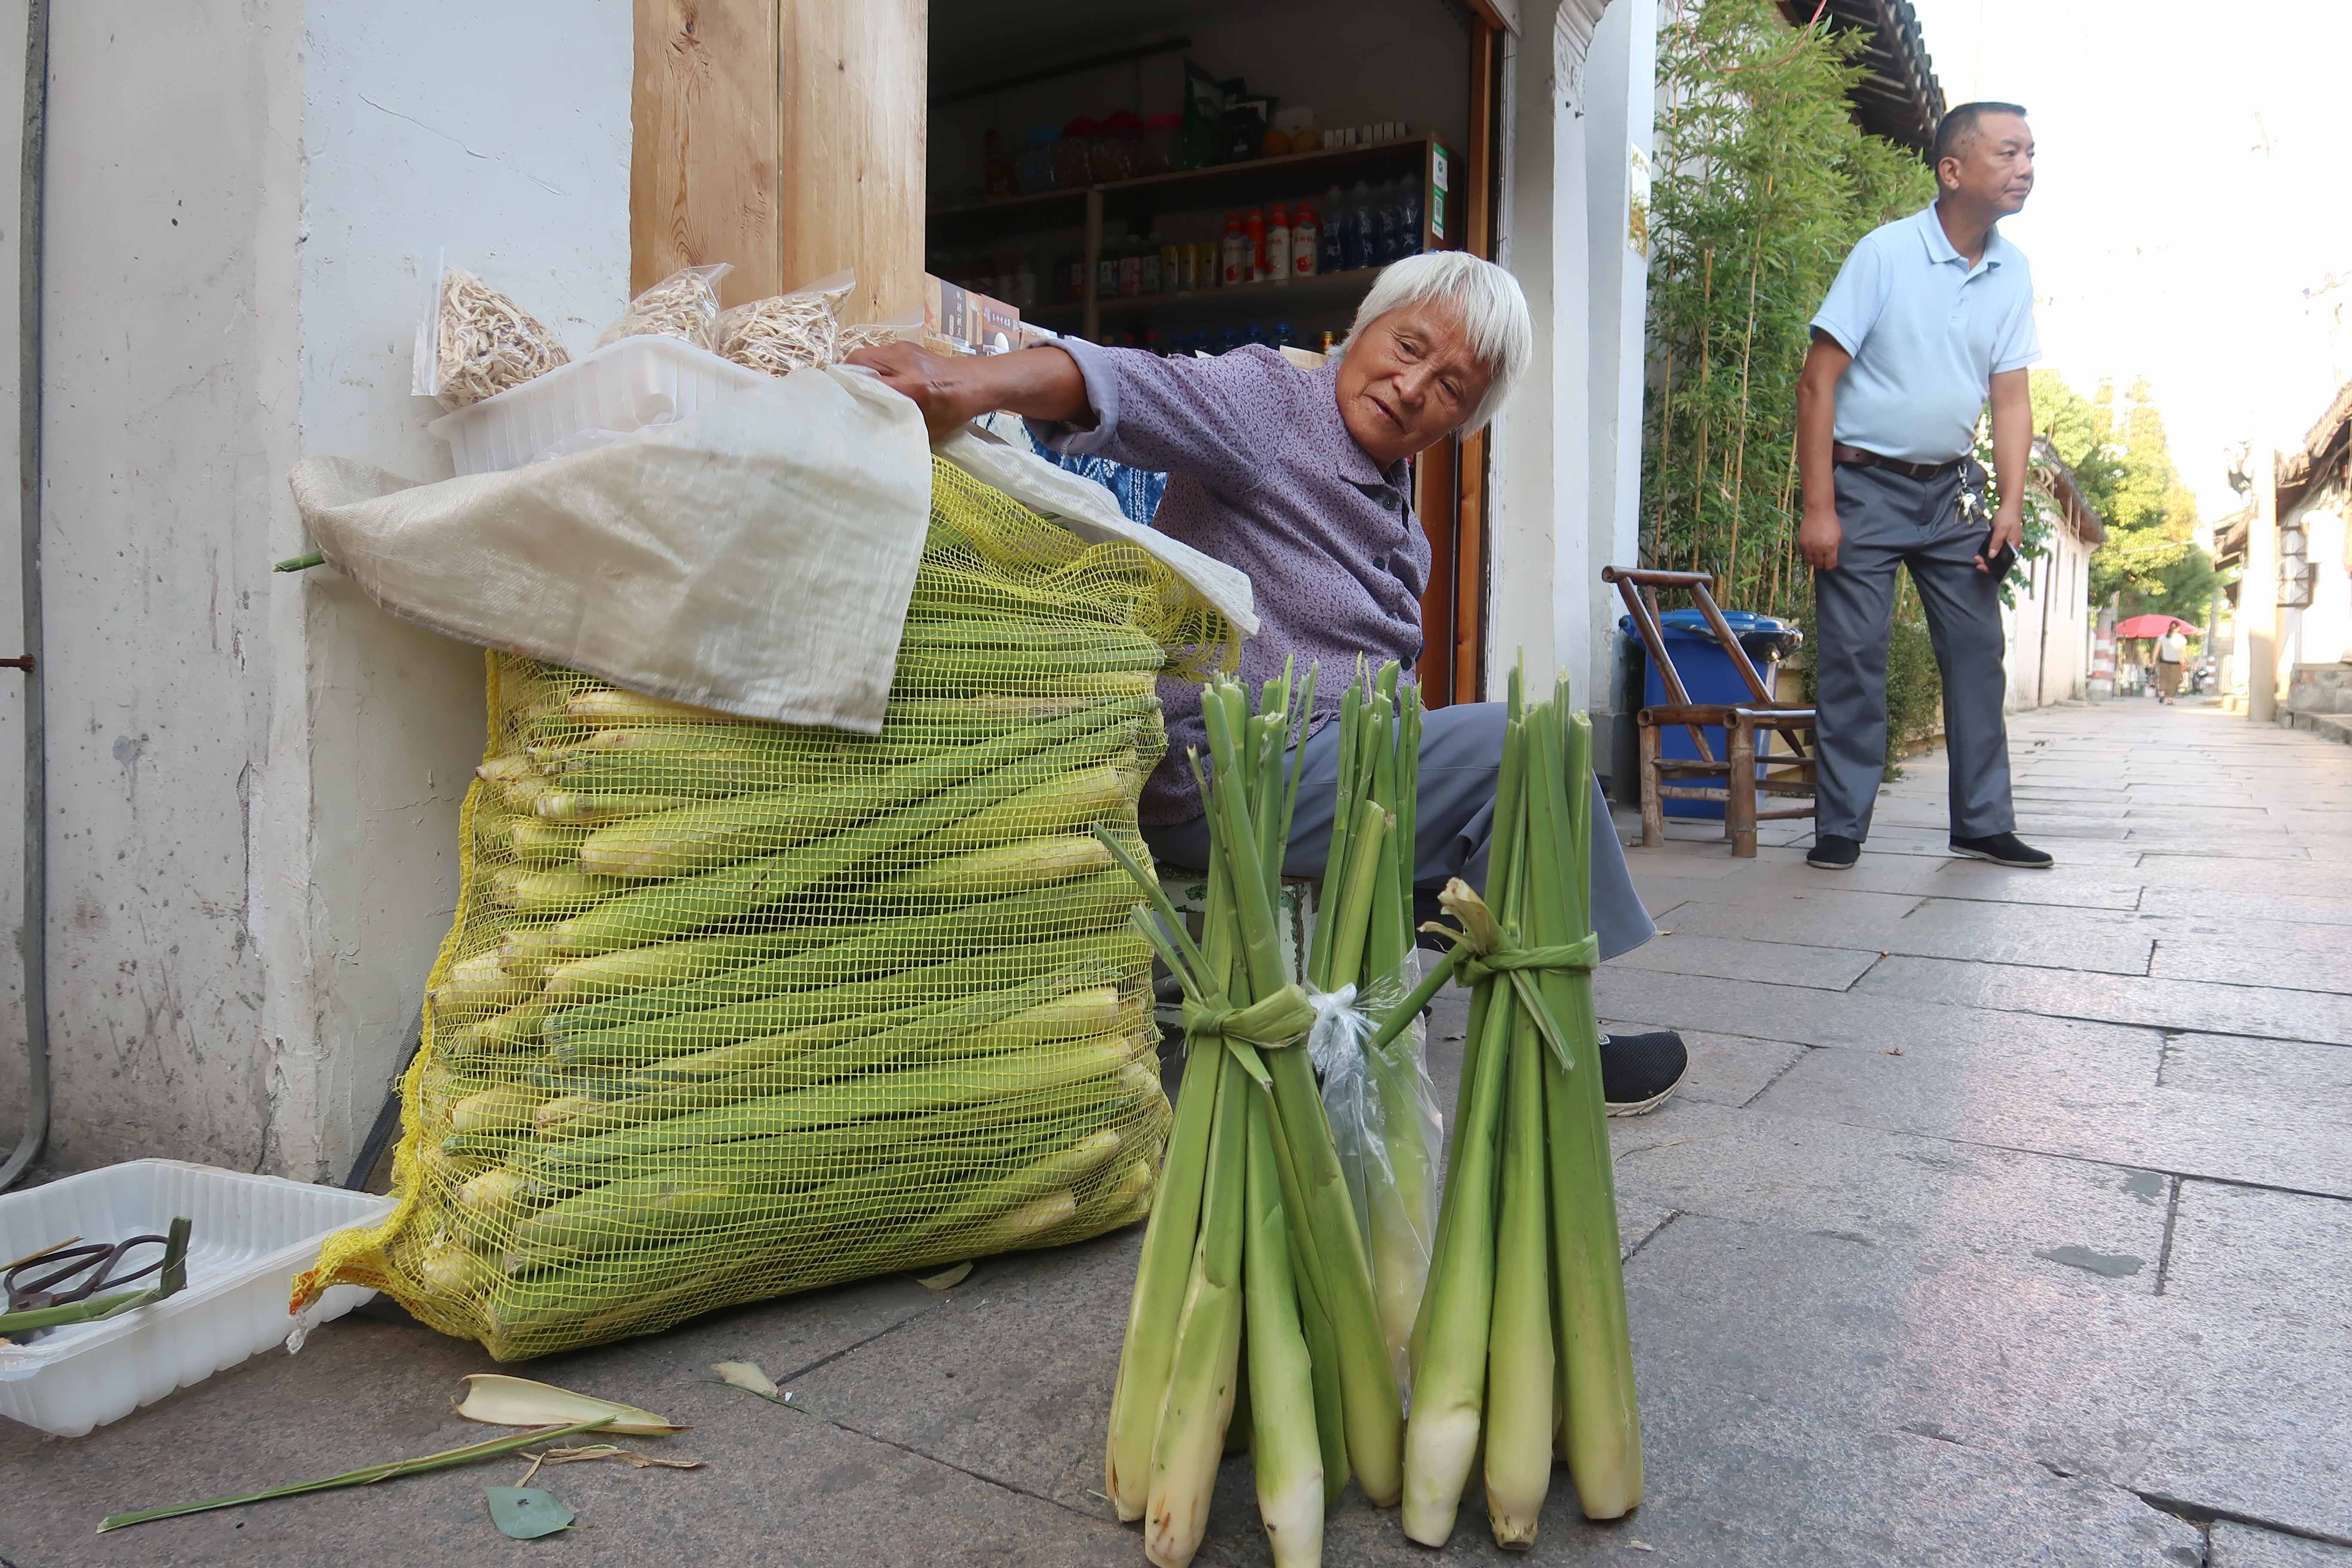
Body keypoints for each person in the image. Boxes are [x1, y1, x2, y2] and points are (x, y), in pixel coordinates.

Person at [850, 251, 1689, 1114]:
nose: (1411, 387)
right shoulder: (1273, 407)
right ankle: (1559, 1052)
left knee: (1503, 783)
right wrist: (963, 384)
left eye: (1450, 387)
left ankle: (1464, 1008)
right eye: (1408, 347)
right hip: (1226, 775)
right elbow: (1125, 385)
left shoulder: (1404, 523)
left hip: (1327, 774)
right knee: (1529, 748)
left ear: (1461, 422)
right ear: (1363, 328)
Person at [1795, 101, 2054, 872]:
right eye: (2008, 153)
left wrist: (2010, 507)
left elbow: (2011, 398)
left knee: (1977, 652)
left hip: (1953, 495)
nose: (2026, 169)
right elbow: (1817, 382)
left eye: (2031, 154)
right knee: (1854, 657)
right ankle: (1841, 825)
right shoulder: (1884, 254)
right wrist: (1820, 507)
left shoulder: (2014, 270)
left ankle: (1981, 821)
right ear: (1952, 169)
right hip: (1863, 485)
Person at [2154, 627, 2188, 703]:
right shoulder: (2181, 638)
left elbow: (2157, 650)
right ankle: (2170, 700)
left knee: (2164, 678)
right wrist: (2186, 662)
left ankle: (2162, 693)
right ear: (2178, 628)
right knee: (2174, 681)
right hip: (2176, 663)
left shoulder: (2163, 637)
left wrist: (2153, 662)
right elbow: (2183, 652)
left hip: (2164, 661)